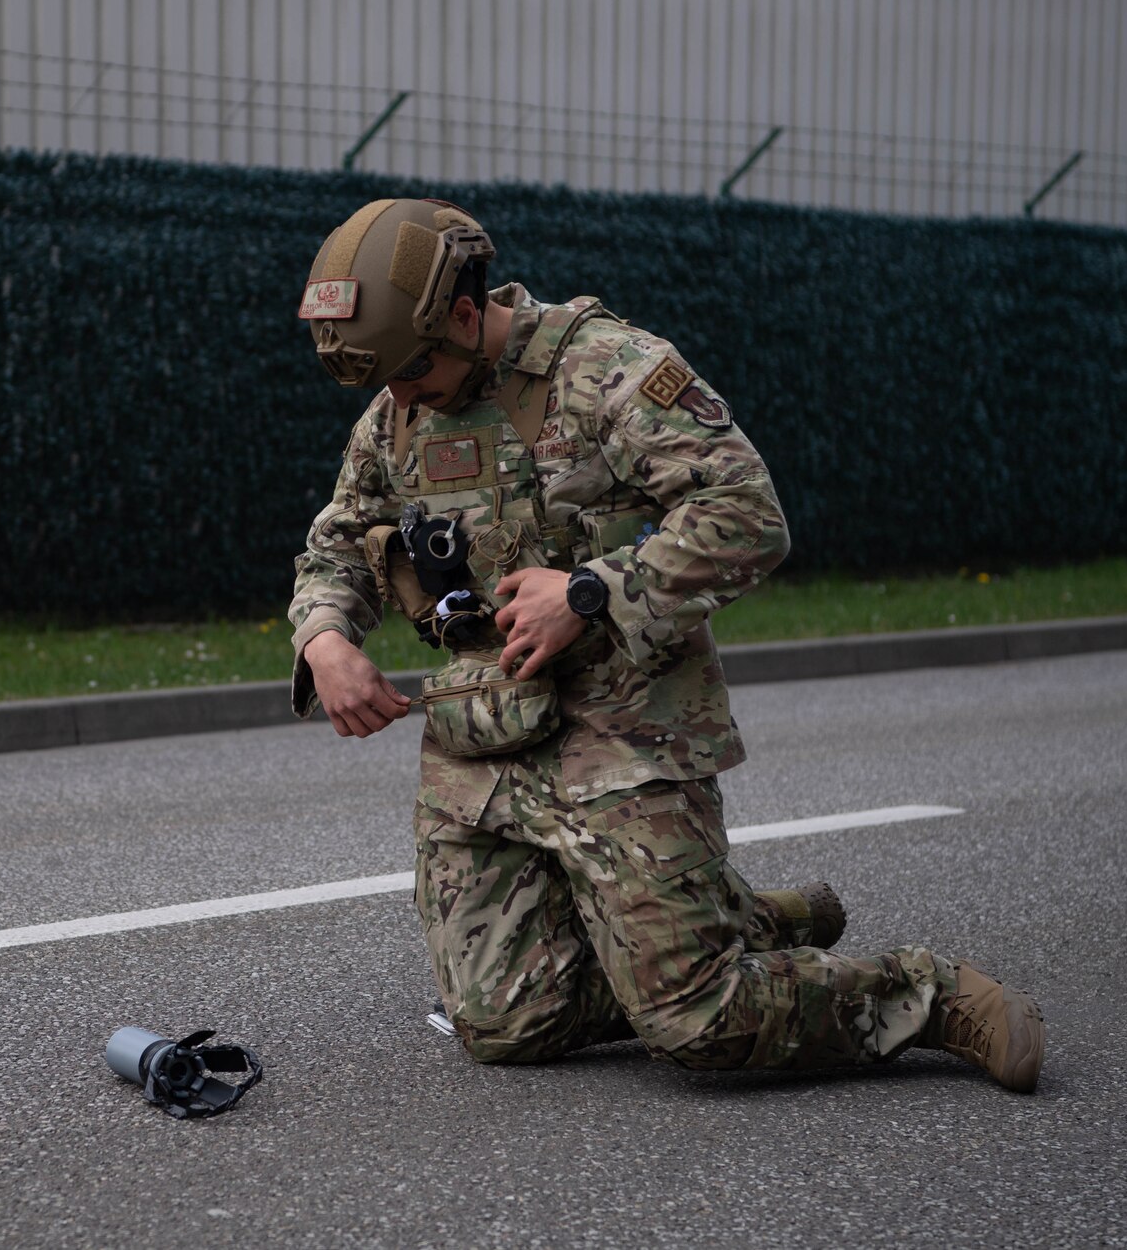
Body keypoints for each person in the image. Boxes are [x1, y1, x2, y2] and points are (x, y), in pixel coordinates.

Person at [287, 197, 1044, 1089]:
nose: (400, 396)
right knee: (504, 1024)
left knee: (701, 1027)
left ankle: (926, 991)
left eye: (412, 371)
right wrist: (324, 638)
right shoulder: (396, 414)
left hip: (625, 736)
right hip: (482, 749)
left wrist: (589, 594)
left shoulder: (608, 369)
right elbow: (339, 542)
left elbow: (748, 516)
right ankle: (725, 927)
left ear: (463, 312)